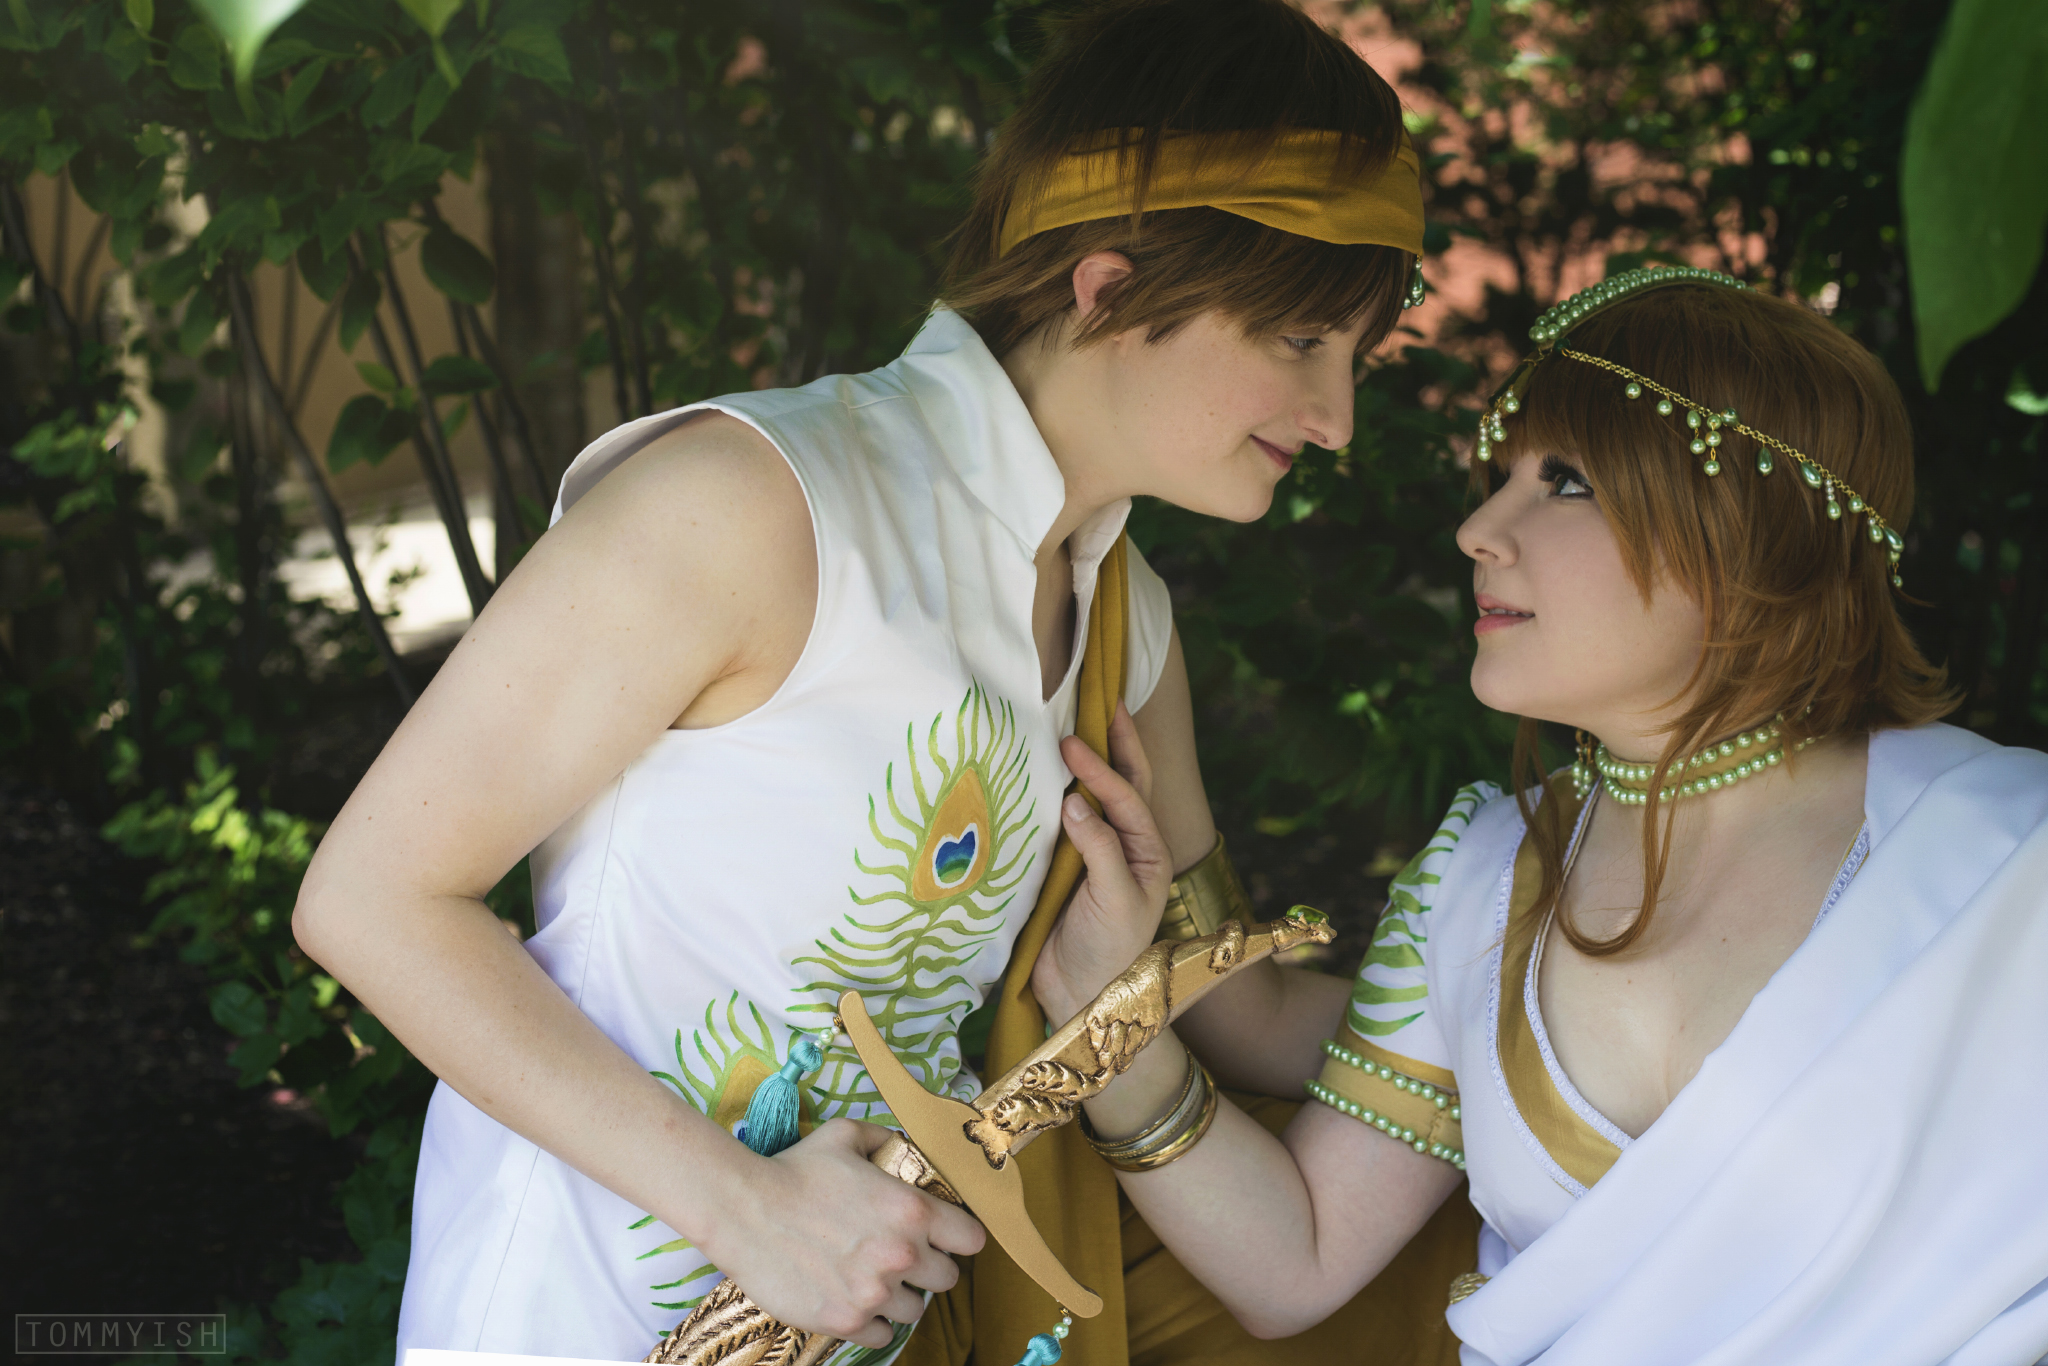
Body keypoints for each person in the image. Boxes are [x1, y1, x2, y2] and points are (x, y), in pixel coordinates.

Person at [290, 2, 1451, 1362]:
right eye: (1301, 341)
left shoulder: (1126, 626)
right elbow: (371, 898)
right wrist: (742, 1206)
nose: (1336, 419)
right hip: (571, 1322)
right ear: (1107, 288)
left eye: (1354, 357)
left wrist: (1548, 1001)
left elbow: (1236, 1011)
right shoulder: (754, 505)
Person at [1032, 268, 2048, 1365]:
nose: (1478, 529)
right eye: (1500, 478)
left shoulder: (2011, 857)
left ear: (1749, 533)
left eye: (1564, 482)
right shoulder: (1479, 879)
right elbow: (1296, 1259)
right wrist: (1102, 1027)